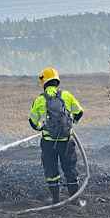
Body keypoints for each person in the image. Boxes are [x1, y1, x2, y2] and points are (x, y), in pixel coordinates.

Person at [28, 67, 84, 204]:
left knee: (51, 171)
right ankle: (75, 200)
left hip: (48, 143)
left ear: (44, 82)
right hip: (66, 141)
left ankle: (55, 199)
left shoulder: (40, 100)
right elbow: (80, 112)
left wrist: (41, 128)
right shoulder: (67, 95)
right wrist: (72, 122)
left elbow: (32, 121)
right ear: (56, 80)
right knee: (70, 170)